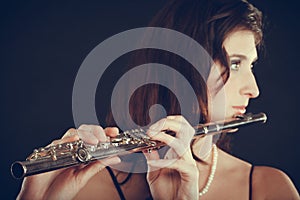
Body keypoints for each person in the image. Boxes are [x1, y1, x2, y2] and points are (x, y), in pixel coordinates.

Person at [16, 0, 299, 199]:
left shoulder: (269, 189)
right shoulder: (84, 187)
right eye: (235, 63)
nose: (254, 89)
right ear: (182, 64)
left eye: (251, 65)